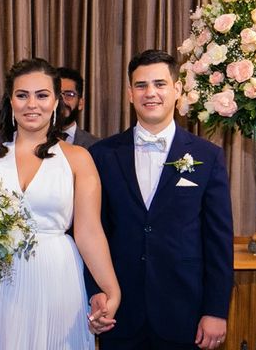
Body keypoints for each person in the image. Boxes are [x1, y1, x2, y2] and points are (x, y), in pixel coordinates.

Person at [0, 58, 121, 350]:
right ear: (11, 101)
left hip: (55, 277)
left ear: (56, 101)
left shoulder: (78, 158)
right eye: (22, 95)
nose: (32, 104)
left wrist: (111, 289)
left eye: (42, 95)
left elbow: (89, 232)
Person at [86, 49, 233, 350]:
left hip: (185, 312)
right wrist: (94, 292)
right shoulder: (102, 155)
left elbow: (218, 240)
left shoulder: (207, 156)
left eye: (160, 84)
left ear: (177, 90)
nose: (150, 93)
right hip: (120, 311)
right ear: (130, 93)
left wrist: (216, 310)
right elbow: (91, 231)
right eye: (141, 85)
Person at [57, 66, 100, 148]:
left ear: (80, 103)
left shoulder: (96, 146)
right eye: (57, 94)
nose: (62, 101)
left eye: (69, 95)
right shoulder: (33, 141)